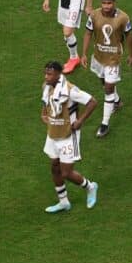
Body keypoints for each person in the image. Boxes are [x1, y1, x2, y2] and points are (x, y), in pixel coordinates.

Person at [41, 61, 99, 213]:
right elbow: (45, 103)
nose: (46, 77)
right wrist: (43, 113)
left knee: (66, 172)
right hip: (53, 133)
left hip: (68, 135)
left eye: (50, 74)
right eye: (45, 73)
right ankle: (63, 201)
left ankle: (90, 187)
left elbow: (92, 102)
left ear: (59, 74)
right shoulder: (47, 87)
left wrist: (80, 121)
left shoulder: (70, 90)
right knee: (54, 167)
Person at [80, 0, 132, 137]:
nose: (106, 6)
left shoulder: (123, 18)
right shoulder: (94, 15)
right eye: (104, 3)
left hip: (113, 59)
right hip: (98, 57)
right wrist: (83, 54)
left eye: (109, 3)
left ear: (114, 3)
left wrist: (131, 55)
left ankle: (104, 124)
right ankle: (117, 101)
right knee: (103, 82)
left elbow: (129, 36)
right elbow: (88, 33)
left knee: (108, 88)